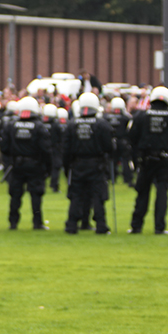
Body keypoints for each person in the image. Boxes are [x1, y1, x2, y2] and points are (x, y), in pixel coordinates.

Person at [128, 86, 168, 235]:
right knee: (162, 193)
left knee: (142, 192)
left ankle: (136, 226)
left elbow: (132, 137)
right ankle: (159, 227)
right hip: (165, 159)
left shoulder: (141, 115)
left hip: (146, 159)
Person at [62, 93, 114, 235]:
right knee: (98, 195)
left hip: (77, 164)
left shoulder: (72, 124)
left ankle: (72, 225)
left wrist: (67, 167)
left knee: (76, 195)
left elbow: (65, 149)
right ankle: (101, 225)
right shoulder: (101, 124)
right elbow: (109, 147)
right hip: (96, 164)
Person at [0, 96, 52, 230]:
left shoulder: (11, 125)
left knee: (15, 195)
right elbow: (46, 149)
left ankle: (13, 222)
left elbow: (4, 147)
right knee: (36, 195)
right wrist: (48, 167)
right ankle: (37, 222)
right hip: (35, 165)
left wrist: (11, 159)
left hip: (17, 165)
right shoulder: (40, 126)